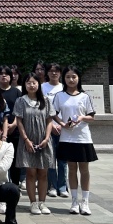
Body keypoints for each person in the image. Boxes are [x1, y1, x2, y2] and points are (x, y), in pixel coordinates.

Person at [53, 66, 98, 216]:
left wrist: (82, 117)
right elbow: (53, 114)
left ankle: (85, 202)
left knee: (84, 169)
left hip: (83, 137)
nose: (71, 80)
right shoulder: (59, 96)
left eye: (74, 77)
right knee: (71, 168)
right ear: (64, 79)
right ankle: (74, 201)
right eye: (68, 77)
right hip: (67, 137)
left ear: (78, 78)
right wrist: (62, 123)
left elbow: (92, 116)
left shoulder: (85, 96)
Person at [13, 72, 56, 215]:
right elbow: (19, 121)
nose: (31, 85)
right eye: (28, 82)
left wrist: (47, 138)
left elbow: (49, 120)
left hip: (44, 141)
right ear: (24, 85)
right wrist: (26, 139)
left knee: (43, 173)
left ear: (39, 84)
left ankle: (42, 202)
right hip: (27, 141)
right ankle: (33, 203)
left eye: (34, 82)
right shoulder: (21, 101)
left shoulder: (46, 100)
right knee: (30, 173)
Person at [42, 62, 68, 198]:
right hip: (48, 128)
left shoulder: (65, 88)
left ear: (60, 73)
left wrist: (62, 125)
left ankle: (62, 186)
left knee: (63, 160)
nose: (54, 73)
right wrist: (51, 125)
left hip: (64, 128)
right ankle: (52, 186)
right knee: (50, 158)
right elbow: (41, 108)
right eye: (51, 71)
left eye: (56, 71)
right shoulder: (42, 87)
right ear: (47, 73)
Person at [0, 65, 22, 187]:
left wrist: (14, 124)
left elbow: (21, 110)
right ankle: (0, 185)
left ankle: (15, 186)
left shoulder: (16, 92)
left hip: (14, 130)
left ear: (11, 76)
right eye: (1, 73)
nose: (4, 76)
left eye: (6, 74)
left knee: (15, 160)